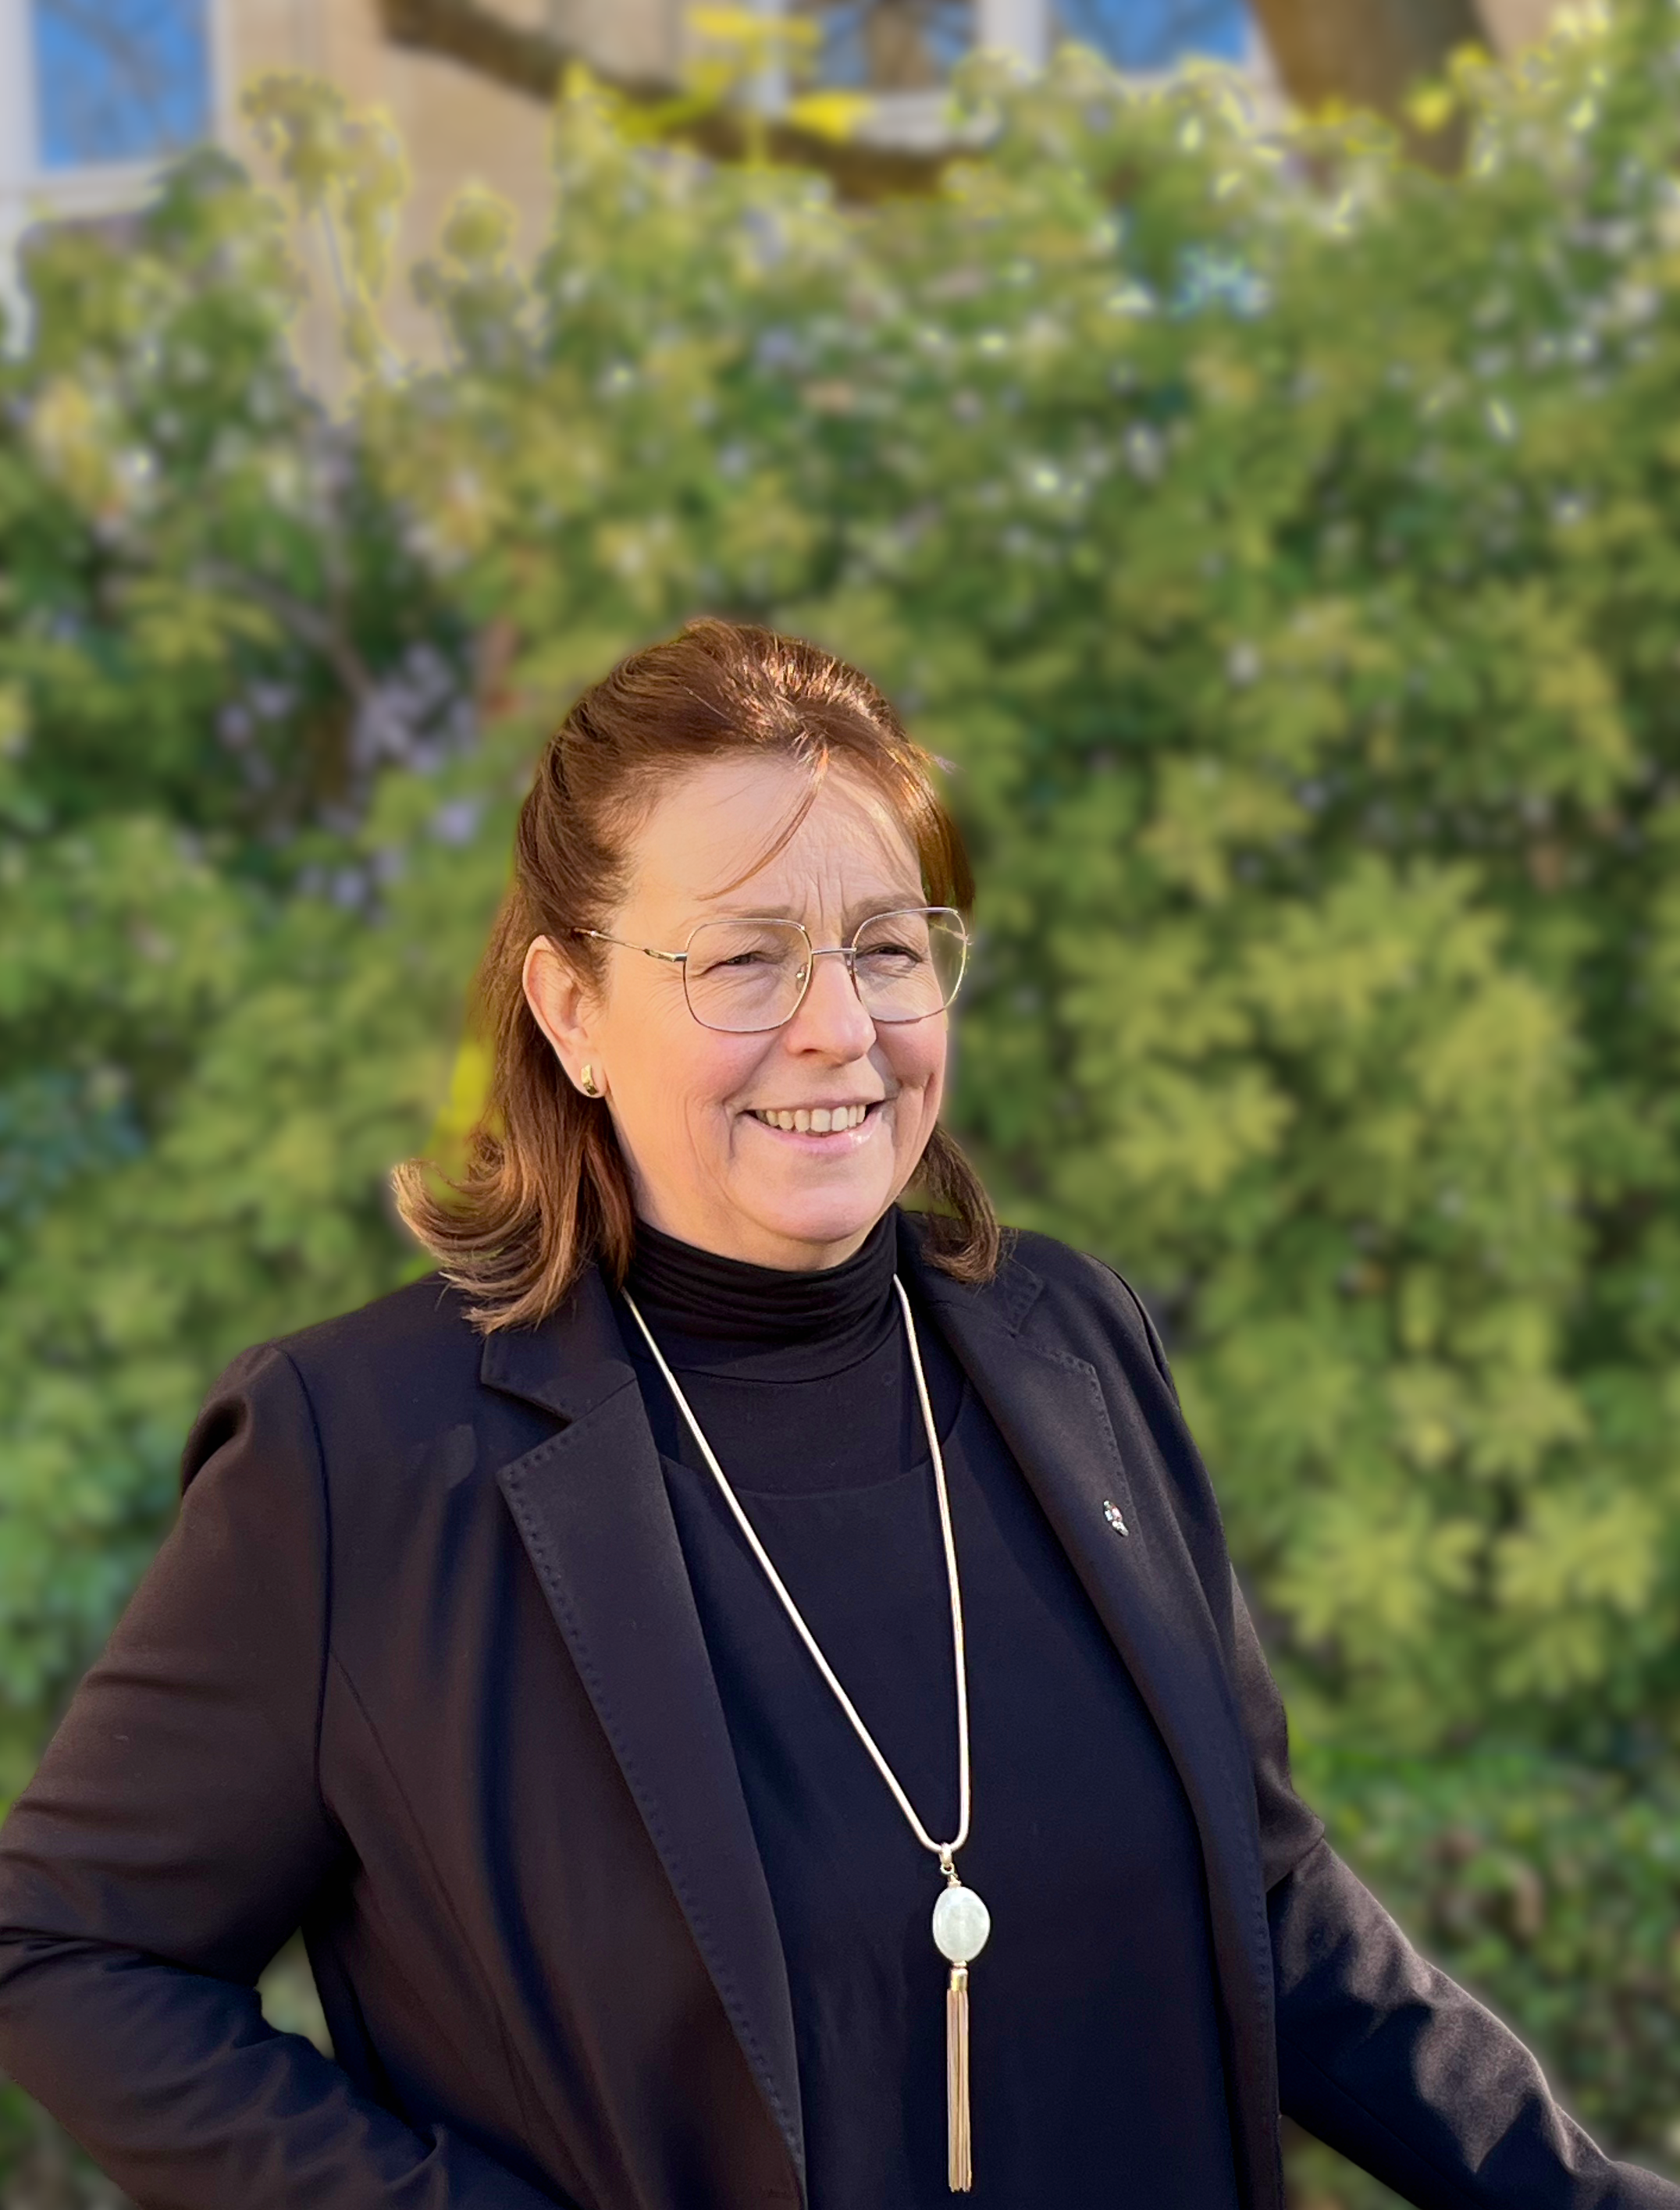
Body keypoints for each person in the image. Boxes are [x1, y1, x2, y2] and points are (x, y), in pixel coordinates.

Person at [0, 617, 1670, 2210]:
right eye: (743, 955)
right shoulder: (358, 1452)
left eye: (885, 944)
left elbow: (1269, 1902)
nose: (838, 1024)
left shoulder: (1072, 1344)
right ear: (568, 1008)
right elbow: (65, 1949)